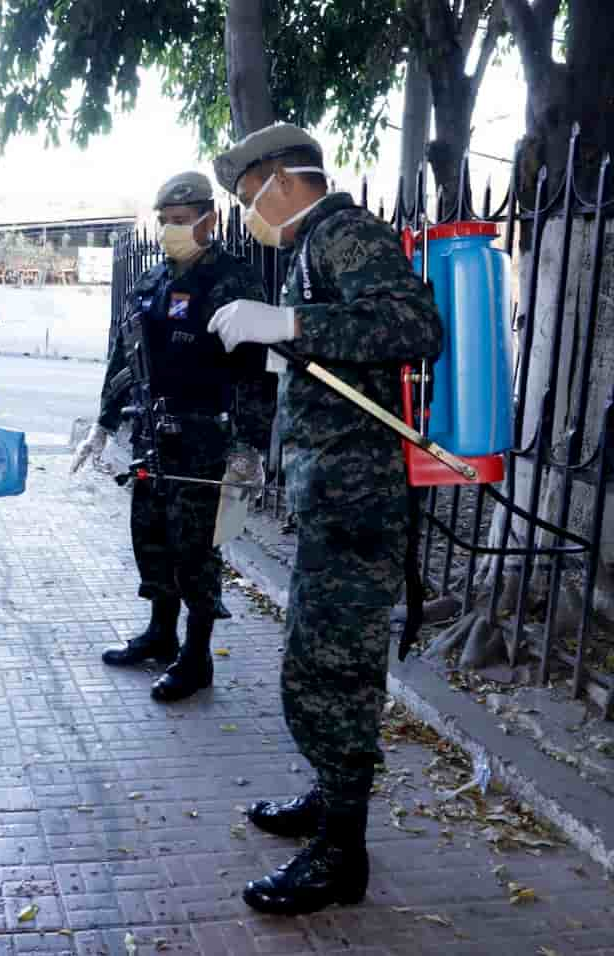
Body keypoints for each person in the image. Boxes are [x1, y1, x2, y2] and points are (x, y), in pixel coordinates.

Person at [210, 124, 443, 915]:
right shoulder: (314, 245)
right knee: (318, 661)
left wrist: (291, 325)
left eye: (247, 198)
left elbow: (416, 326)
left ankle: (341, 852)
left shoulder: (344, 231)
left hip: (357, 498)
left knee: (332, 669)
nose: (248, 214)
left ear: (281, 179)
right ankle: (330, 796)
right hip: (334, 496)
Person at [71, 172, 275, 702]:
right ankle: (161, 633)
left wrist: (249, 444)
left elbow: (255, 370)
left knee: (195, 548)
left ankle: (197, 654)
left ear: (209, 219)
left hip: (206, 435)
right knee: (152, 537)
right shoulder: (150, 281)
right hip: (151, 435)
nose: (170, 231)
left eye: (181, 222)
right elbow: (123, 357)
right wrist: (103, 423)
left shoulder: (233, 281)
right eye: (164, 222)